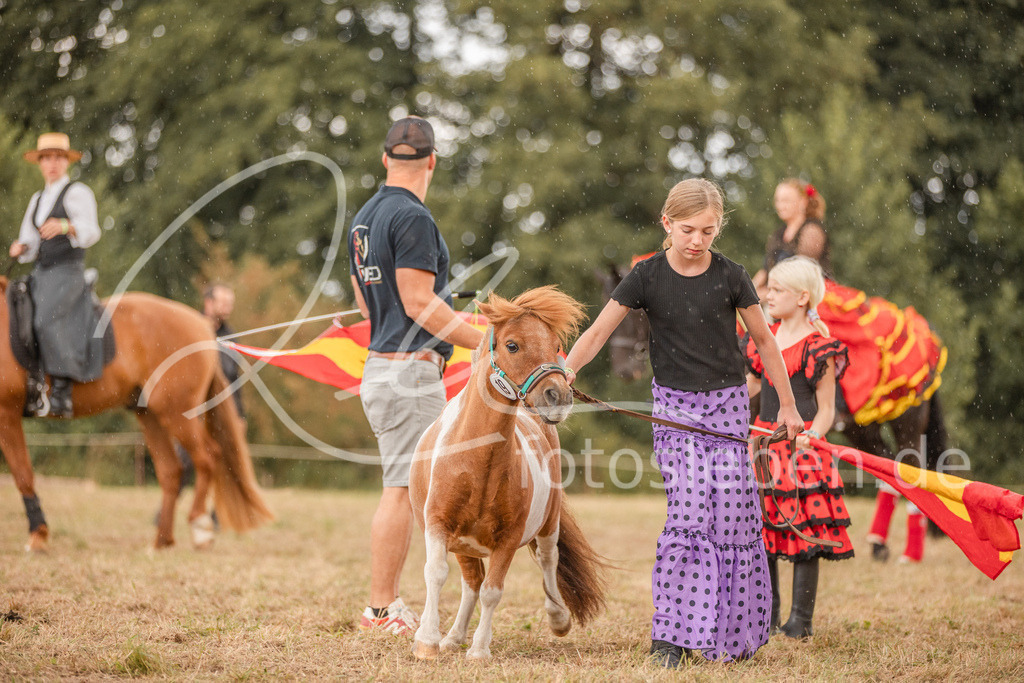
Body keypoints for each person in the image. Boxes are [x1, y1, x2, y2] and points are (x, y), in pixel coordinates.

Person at [563, 178, 803, 666]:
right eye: (688, 230)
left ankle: (731, 636)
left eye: (708, 232)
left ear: (719, 230)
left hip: (729, 407)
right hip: (675, 409)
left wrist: (791, 406)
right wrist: (567, 369)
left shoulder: (732, 275)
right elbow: (599, 331)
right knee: (690, 515)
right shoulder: (647, 276)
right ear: (667, 224)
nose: (697, 241)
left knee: (734, 518)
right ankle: (670, 638)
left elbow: (765, 342)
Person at [348, 116, 484, 636]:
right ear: (432, 161)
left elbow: (367, 301)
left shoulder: (364, 218)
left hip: (381, 367)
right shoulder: (415, 219)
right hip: (410, 375)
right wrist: (485, 341)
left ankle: (385, 606)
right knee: (402, 489)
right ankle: (381, 610)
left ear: (385, 159)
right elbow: (419, 302)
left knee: (401, 485)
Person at [745, 256, 854, 640]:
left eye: (776, 290)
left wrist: (813, 436)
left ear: (803, 297)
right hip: (764, 447)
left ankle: (800, 621)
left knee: (804, 533)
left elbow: (827, 410)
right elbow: (753, 388)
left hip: (804, 451)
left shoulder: (820, 348)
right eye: (768, 288)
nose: (768, 296)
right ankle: (770, 616)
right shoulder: (764, 339)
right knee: (765, 529)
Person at [9, 133, 102, 418]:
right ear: (39, 163)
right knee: (15, 309)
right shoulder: (38, 198)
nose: (52, 163)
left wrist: (66, 226)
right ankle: (33, 382)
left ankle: (61, 391)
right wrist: (21, 247)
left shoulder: (77, 192)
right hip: (42, 271)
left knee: (45, 318)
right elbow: (31, 239)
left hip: (68, 271)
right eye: (46, 158)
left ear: (65, 162)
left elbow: (91, 232)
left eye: (58, 158)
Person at [751, 178, 831, 299]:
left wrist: (765, 294)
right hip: (781, 294)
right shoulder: (778, 234)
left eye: (786, 200)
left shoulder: (812, 230)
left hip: (810, 295)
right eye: (778, 200)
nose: (780, 205)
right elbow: (765, 271)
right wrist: (749, 291)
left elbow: (802, 273)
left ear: (803, 201)